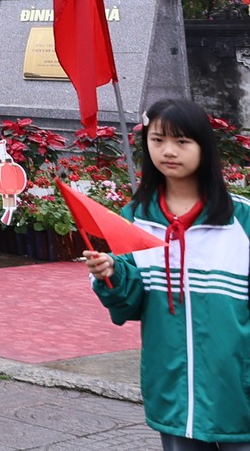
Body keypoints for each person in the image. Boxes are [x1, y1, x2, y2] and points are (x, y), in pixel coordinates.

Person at [85, 97, 250, 451]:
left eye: (182, 141)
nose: (168, 151)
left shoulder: (242, 219)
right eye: (158, 140)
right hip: (172, 385)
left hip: (237, 387)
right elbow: (128, 306)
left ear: (204, 147)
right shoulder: (135, 219)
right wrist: (111, 274)